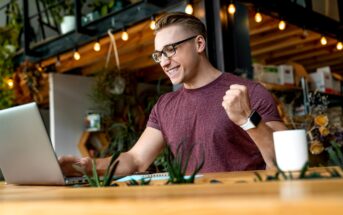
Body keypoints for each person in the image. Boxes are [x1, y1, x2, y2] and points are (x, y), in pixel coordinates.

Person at [59, 12, 287, 177]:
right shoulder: (165, 105)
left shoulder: (250, 93)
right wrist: (87, 167)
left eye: (171, 49)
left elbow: (287, 162)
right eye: (159, 55)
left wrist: (249, 120)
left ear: (199, 44)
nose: (164, 62)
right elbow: (136, 159)